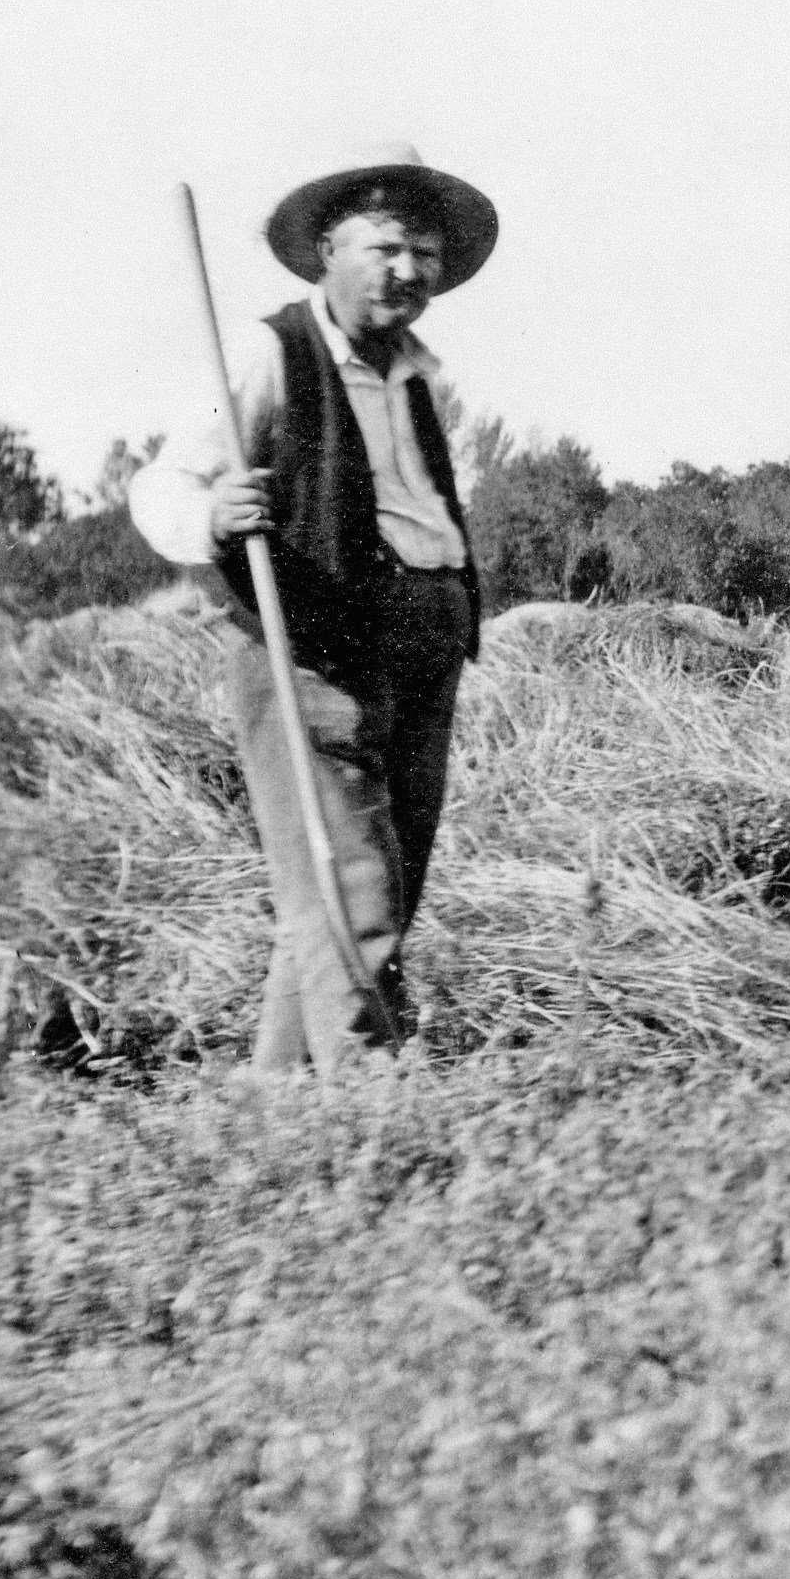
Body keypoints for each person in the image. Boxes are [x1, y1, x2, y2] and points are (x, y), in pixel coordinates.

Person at [131, 145, 496, 1071]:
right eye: (385, 246)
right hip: (313, 645)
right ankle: (368, 1097)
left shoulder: (415, 374)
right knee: (353, 888)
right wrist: (212, 514)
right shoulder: (272, 351)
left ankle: (278, 1100)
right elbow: (167, 481)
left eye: (424, 252)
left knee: (378, 885)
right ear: (328, 250)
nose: (408, 269)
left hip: (425, 641)